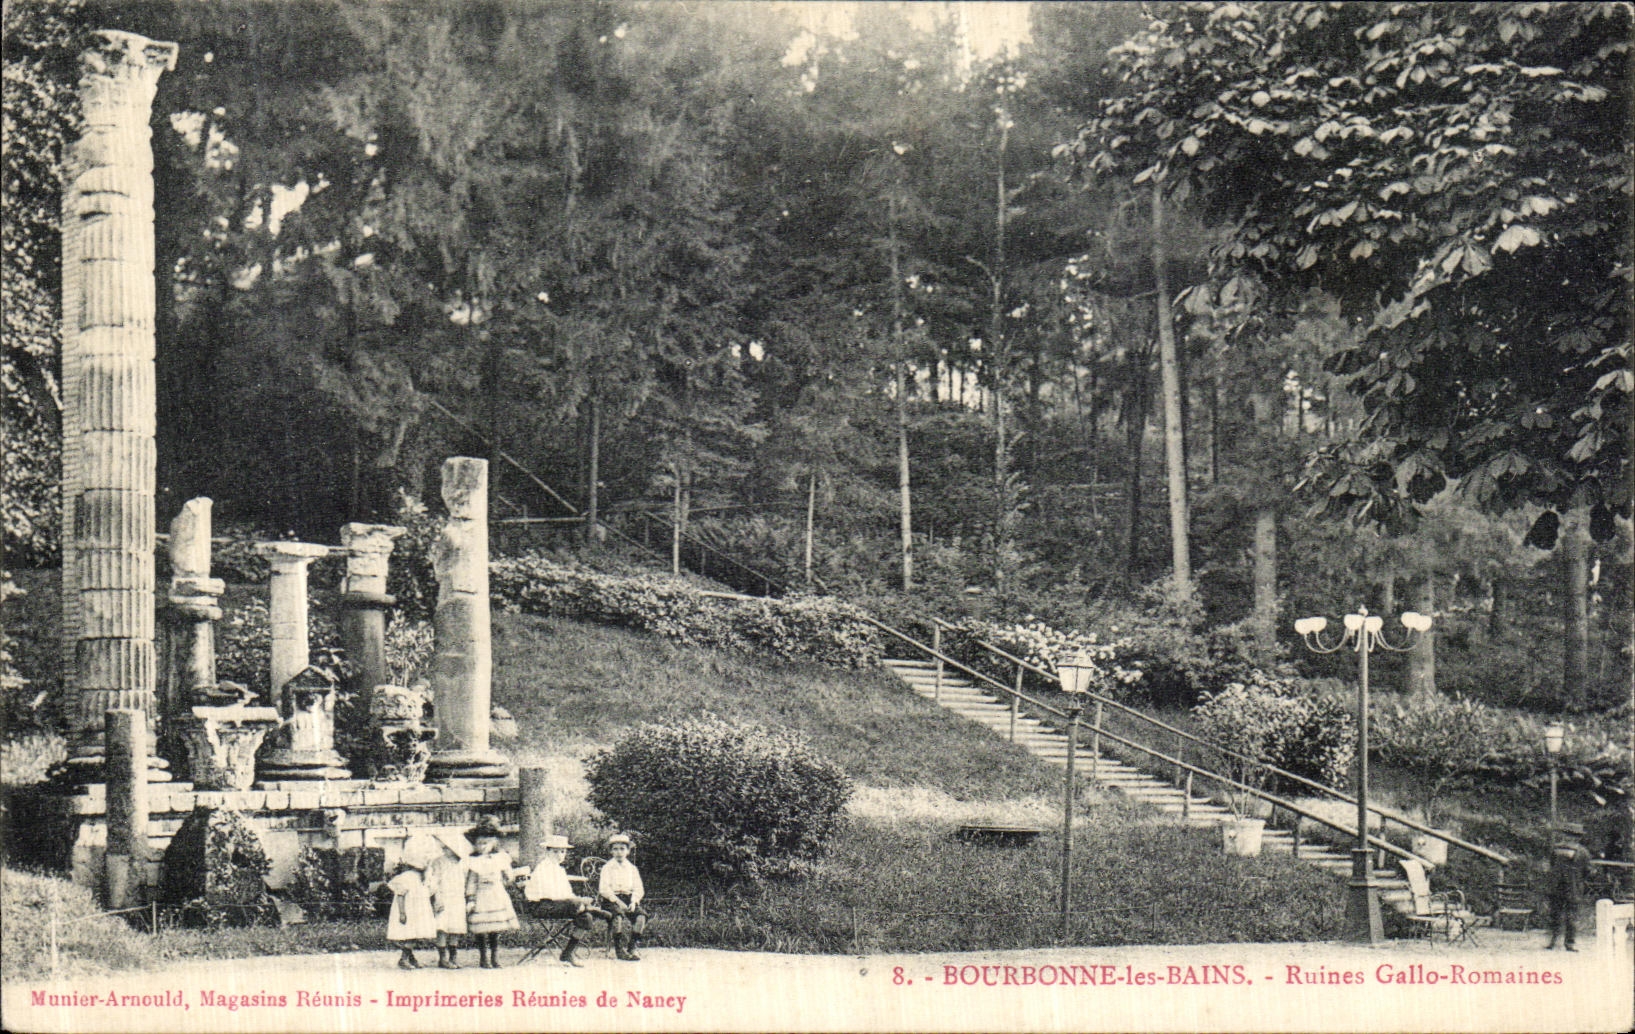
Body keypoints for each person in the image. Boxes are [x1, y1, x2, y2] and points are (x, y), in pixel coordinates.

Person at [523, 833, 612, 966]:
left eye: (562, 851)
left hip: (558, 904)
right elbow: (550, 894)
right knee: (575, 903)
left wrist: (578, 900)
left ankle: (567, 953)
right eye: (555, 851)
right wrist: (579, 901)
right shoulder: (543, 868)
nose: (559, 855)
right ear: (548, 851)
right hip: (541, 905)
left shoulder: (559, 870)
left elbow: (567, 893)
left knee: (586, 917)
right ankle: (590, 908)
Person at [464, 817, 525, 968]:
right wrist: (470, 898)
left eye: (485, 843)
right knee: (482, 928)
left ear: (494, 843)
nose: (482, 846)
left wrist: (506, 879)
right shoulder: (474, 861)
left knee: (495, 929)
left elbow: (508, 876)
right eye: (479, 843)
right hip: (481, 896)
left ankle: (495, 957)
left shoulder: (500, 858)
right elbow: (471, 882)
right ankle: (484, 957)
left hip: (496, 894)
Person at [597, 833, 647, 961]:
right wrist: (617, 901)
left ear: (628, 851)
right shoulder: (607, 868)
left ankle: (632, 947)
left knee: (641, 917)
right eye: (615, 849)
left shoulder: (632, 868)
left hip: (628, 899)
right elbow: (604, 889)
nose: (619, 852)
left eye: (622, 849)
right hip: (611, 899)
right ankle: (619, 950)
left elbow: (638, 888)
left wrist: (634, 901)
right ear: (611, 851)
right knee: (617, 916)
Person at [426, 832, 470, 969]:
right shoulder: (438, 862)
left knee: (455, 928)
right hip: (444, 897)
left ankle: (453, 957)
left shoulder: (463, 864)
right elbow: (434, 881)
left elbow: (466, 881)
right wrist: (437, 898)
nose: (444, 849)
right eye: (444, 848)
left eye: (448, 848)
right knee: (442, 928)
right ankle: (442, 958)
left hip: (458, 898)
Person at [385, 854, 436, 969]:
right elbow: (400, 895)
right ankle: (404, 959)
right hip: (409, 910)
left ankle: (411, 958)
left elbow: (428, 893)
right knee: (410, 935)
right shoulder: (407, 877)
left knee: (415, 935)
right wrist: (402, 913)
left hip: (418, 911)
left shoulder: (422, 878)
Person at [1546, 821, 1590, 951]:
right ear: (1579, 837)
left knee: (1555, 914)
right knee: (1571, 916)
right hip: (1574, 887)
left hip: (1556, 886)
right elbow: (1587, 870)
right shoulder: (1582, 852)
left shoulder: (1556, 849)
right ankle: (1569, 943)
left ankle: (1553, 941)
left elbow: (1552, 865)